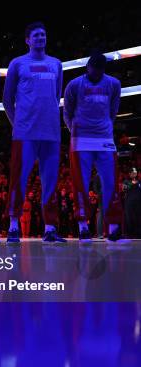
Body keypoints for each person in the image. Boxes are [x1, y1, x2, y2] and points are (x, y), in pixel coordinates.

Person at [3, 22, 65, 244]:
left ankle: (49, 228)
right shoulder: (17, 63)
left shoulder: (56, 64)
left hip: (51, 132)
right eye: (36, 35)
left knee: (50, 181)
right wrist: (17, 123)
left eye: (43, 34)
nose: (40, 37)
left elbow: (56, 96)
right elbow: (7, 99)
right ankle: (12, 226)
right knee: (18, 179)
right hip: (25, 133)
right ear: (27, 40)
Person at [64, 52, 128, 243]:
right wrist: (75, 132)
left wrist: (104, 129)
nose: (97, 72)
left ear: (103, 69)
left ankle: (114, 229)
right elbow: (67, 112)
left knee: (110, 182)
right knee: (80, 184)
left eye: (100, 69)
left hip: (105, 140)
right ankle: (83, 227)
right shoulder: (74, 85)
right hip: (80, 139)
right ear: (88, 67)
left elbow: (113, 110)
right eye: (94, 68)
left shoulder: (113, 84)